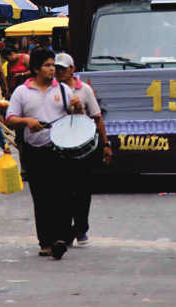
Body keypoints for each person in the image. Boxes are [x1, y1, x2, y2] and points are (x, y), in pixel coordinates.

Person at [5, 48, 83, 259]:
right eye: (48, 65)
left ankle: (60, 238)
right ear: (36, 69)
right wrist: (27, 122)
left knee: (62, 195)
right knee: (41, 197)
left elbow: (78, 117)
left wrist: (78, 107)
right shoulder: (22, 92)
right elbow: (10, 118)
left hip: (59, 149)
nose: (52, 70)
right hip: (34, 150)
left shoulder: (64, 90)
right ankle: (45, 241)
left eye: (53, 66)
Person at [55, 52, 112, 245]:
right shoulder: (54, 90)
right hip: (61, 147)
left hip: (83, 148)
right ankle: (65, 230)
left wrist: (106, 144)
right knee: (63, 191)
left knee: (82, 190)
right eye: (57, 68)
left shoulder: (84, 90)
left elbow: (96, 117)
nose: (59, 71)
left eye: (63, 68)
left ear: (72, 69)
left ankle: (81, 229)